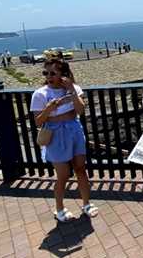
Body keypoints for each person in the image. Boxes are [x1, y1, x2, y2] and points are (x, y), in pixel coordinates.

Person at [31, 58, 97, 222]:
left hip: (74, 130)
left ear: (64, 74)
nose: (49, 76)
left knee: (80, 169)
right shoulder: (40, 94)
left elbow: (80, 111)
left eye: (53, 73)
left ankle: (86, 203)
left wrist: (71, 90)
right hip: (55, 134)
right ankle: (59, 208)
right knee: (63, 175)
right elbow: (38, 122)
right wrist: (48, 109)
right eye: (46, 73)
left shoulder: (74, 89)